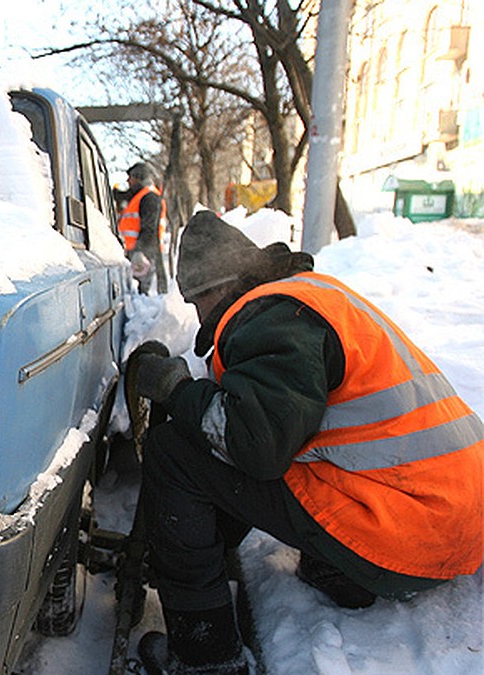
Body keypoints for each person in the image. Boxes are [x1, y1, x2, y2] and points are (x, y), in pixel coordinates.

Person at [128, 211, 483, 675]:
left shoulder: (267, 317)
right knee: (282, 443)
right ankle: (341, 571)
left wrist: (178, 391)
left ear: (220, 286)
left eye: (197, 301)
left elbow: (251, 445)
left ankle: (206, 656)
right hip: (453, 517)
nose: (199, 316)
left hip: (408, 535)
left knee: (176, 452)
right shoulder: (315, 298)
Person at [118, 162, 168, 294]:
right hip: (137, 254)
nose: (128, 181)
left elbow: (150, 229)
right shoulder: (140, 196)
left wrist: (141, 253)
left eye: (131, 177)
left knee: (142, 297)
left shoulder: (150, 198)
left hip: (144, 256)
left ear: (139, 178)